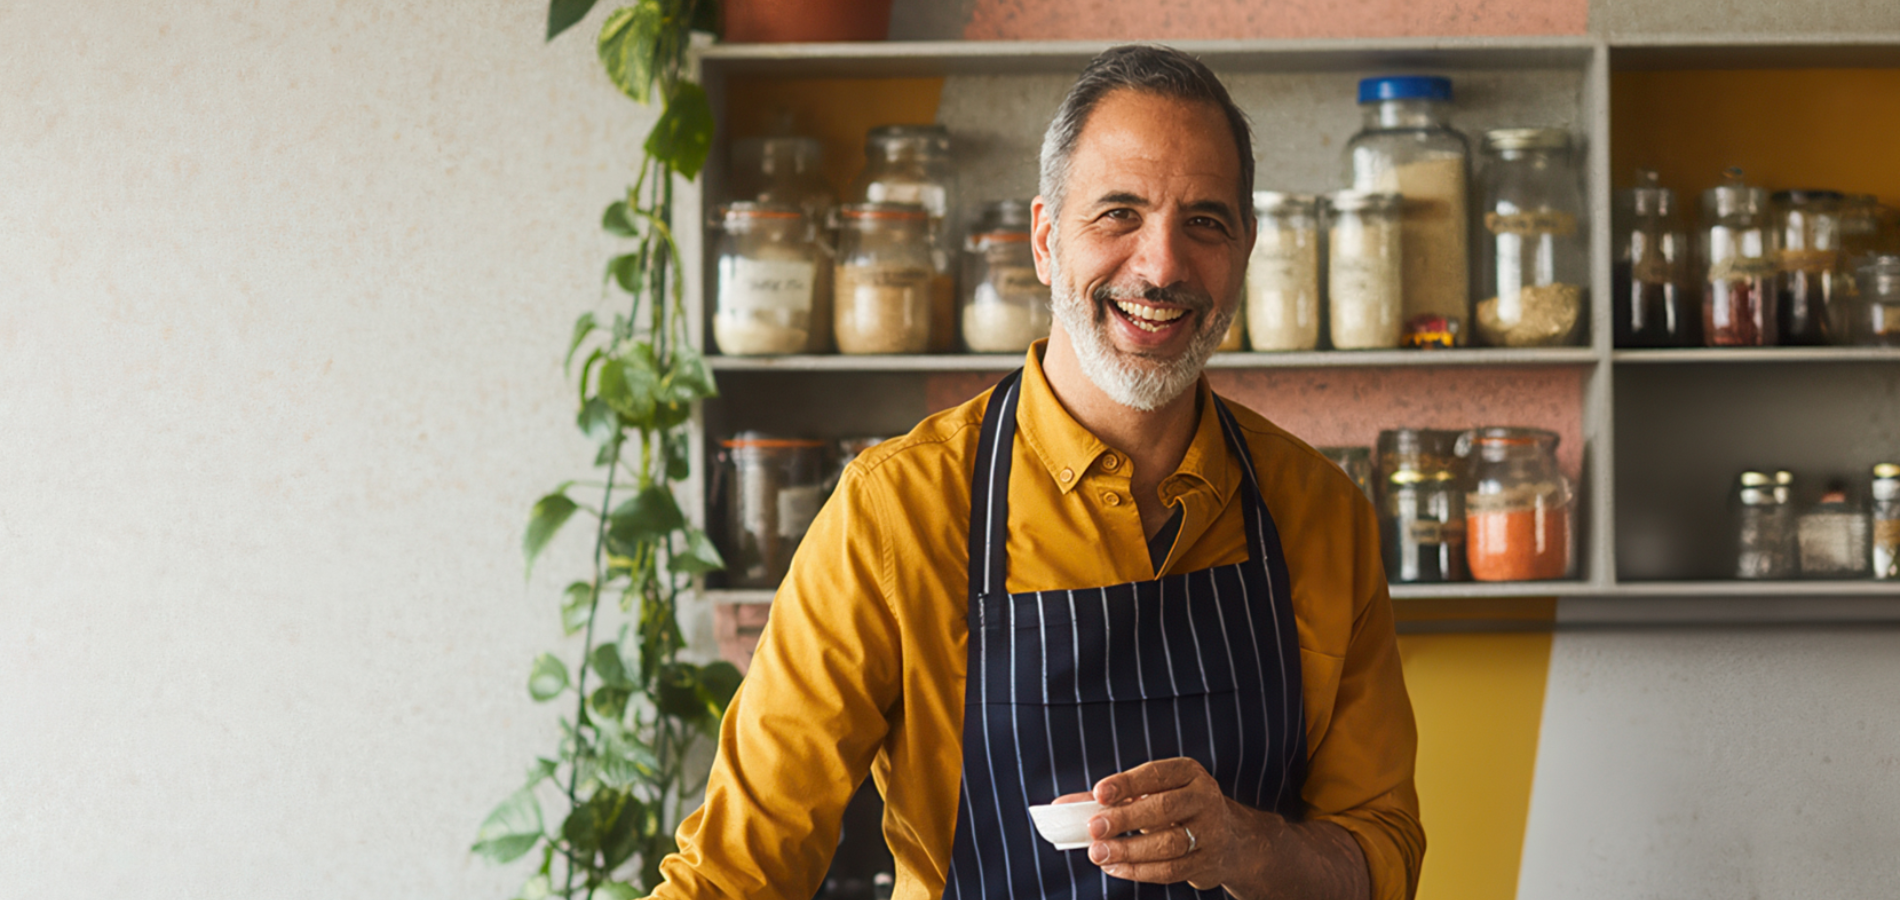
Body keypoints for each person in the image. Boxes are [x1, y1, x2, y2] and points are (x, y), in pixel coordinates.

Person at [653, 44, 1422, 900]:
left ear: (1244, 248)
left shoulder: (1321, 513)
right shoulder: (897, 514)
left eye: (1204, 221)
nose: (1162, 266)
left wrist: (1255, 848)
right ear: (1046, 240)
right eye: (1118, 214)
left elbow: (1378, 850)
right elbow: (733, 873)